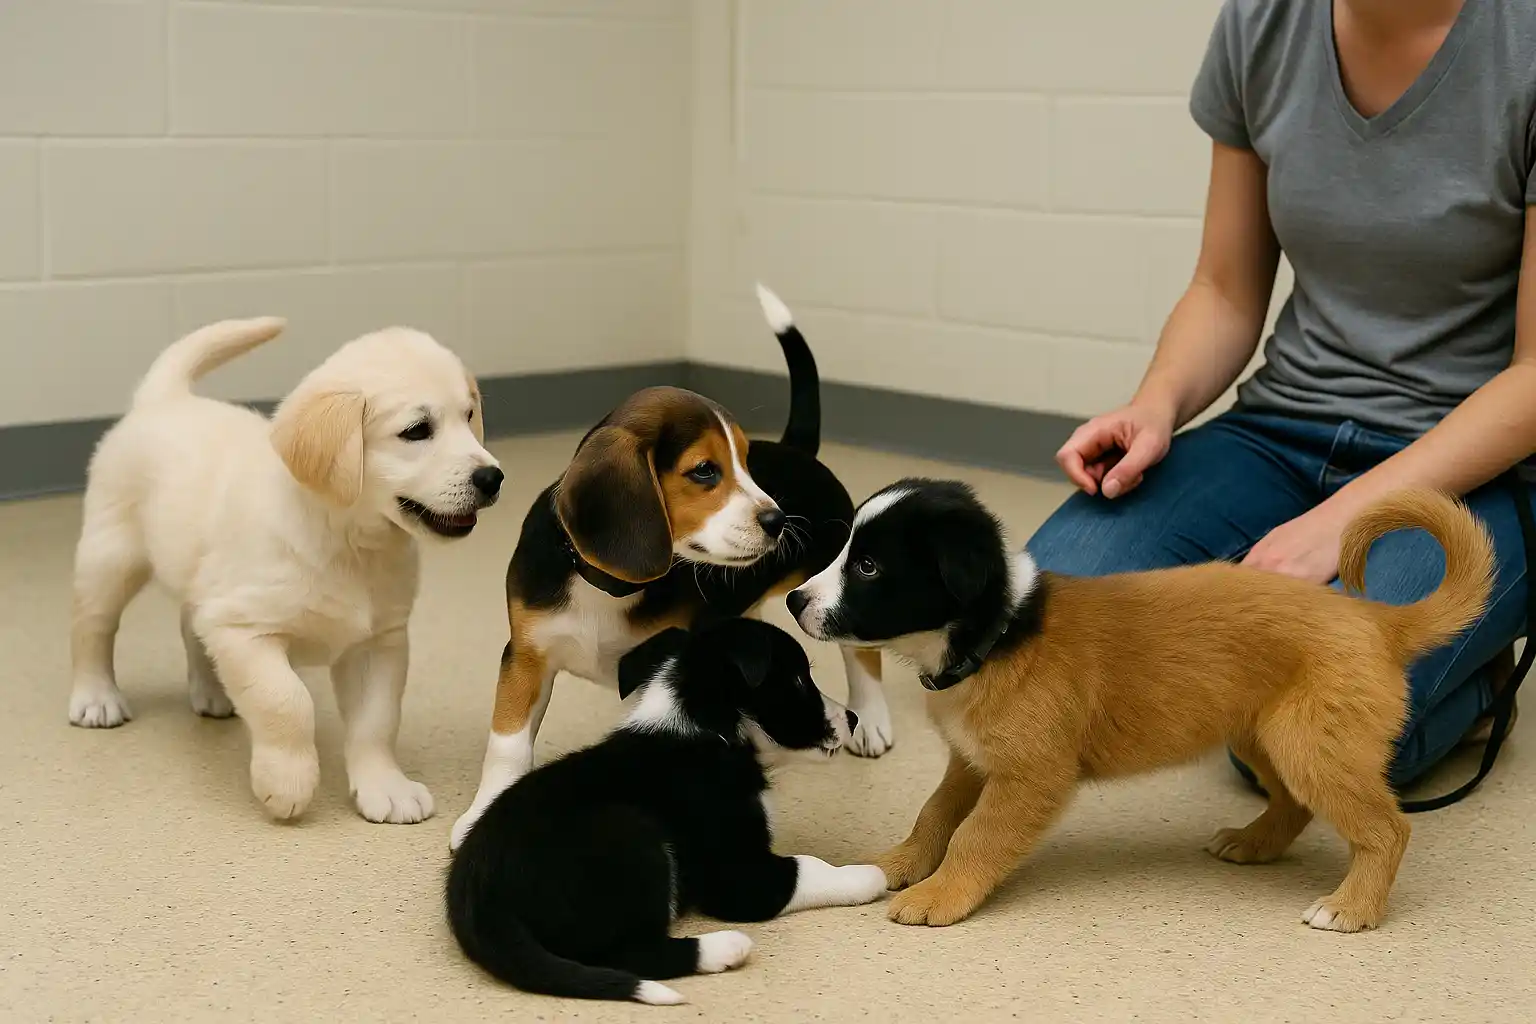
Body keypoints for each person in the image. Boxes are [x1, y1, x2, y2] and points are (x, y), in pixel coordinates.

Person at [1027, 0, 1536, 792]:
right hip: (1279, 429)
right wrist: (1156, 405)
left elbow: (1535, 374)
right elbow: (1224, 290)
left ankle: (1482, 677)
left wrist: (1341, 524)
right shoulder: (1262, 23)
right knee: (1040, 626)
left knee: (1312, 739)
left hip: (1470, 468)